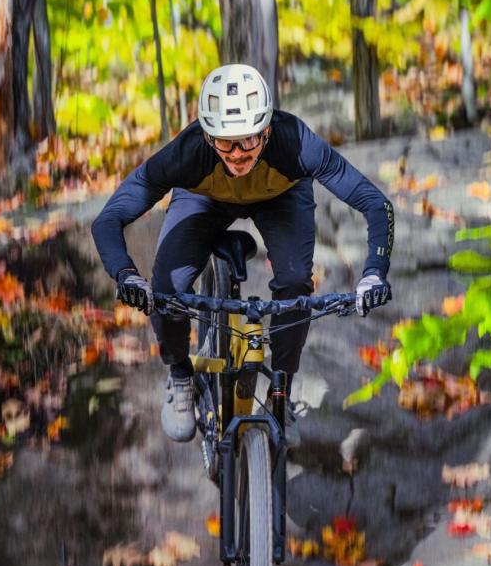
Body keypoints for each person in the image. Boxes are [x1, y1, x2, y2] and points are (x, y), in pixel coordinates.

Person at [92, 62, 394, 446]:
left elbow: (374, 202)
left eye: (249, 140)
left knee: (296, 282)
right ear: (205, 135)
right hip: (203, 198)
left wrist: (373, 273)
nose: (236, 154)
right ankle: (181, 376)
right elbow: (109, 218)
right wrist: (126, 275)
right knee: (166, 285)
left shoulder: (296, 143)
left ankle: (281, 393)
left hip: (281, 197)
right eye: (224, 141)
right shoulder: (187, 153)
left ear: (267, 130)